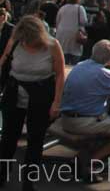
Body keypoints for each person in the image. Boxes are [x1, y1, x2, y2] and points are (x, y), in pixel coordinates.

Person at [0, 16, 65, 191]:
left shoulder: (52, 45)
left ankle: (29, 181)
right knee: (8, 138)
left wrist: (56, 102)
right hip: (14, 93)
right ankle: (2, 173)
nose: (28, 45)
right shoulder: (15, 40)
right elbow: (4, 61)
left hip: (41, 94)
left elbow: (59, 74)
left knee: (35, 140)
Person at [59, 40, 110, 180]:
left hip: (66, 118)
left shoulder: (80, 65)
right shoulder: (104, 74)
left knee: (107, 125)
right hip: (84, 122)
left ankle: (81, 158)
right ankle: (89, 163)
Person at [56, 0, 88, 65]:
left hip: (62, 33)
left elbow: (57, 21)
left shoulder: (62, 8)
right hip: (75, 34)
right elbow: (83, 21)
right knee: (75, 55)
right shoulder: (80, 8)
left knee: (63, 55)